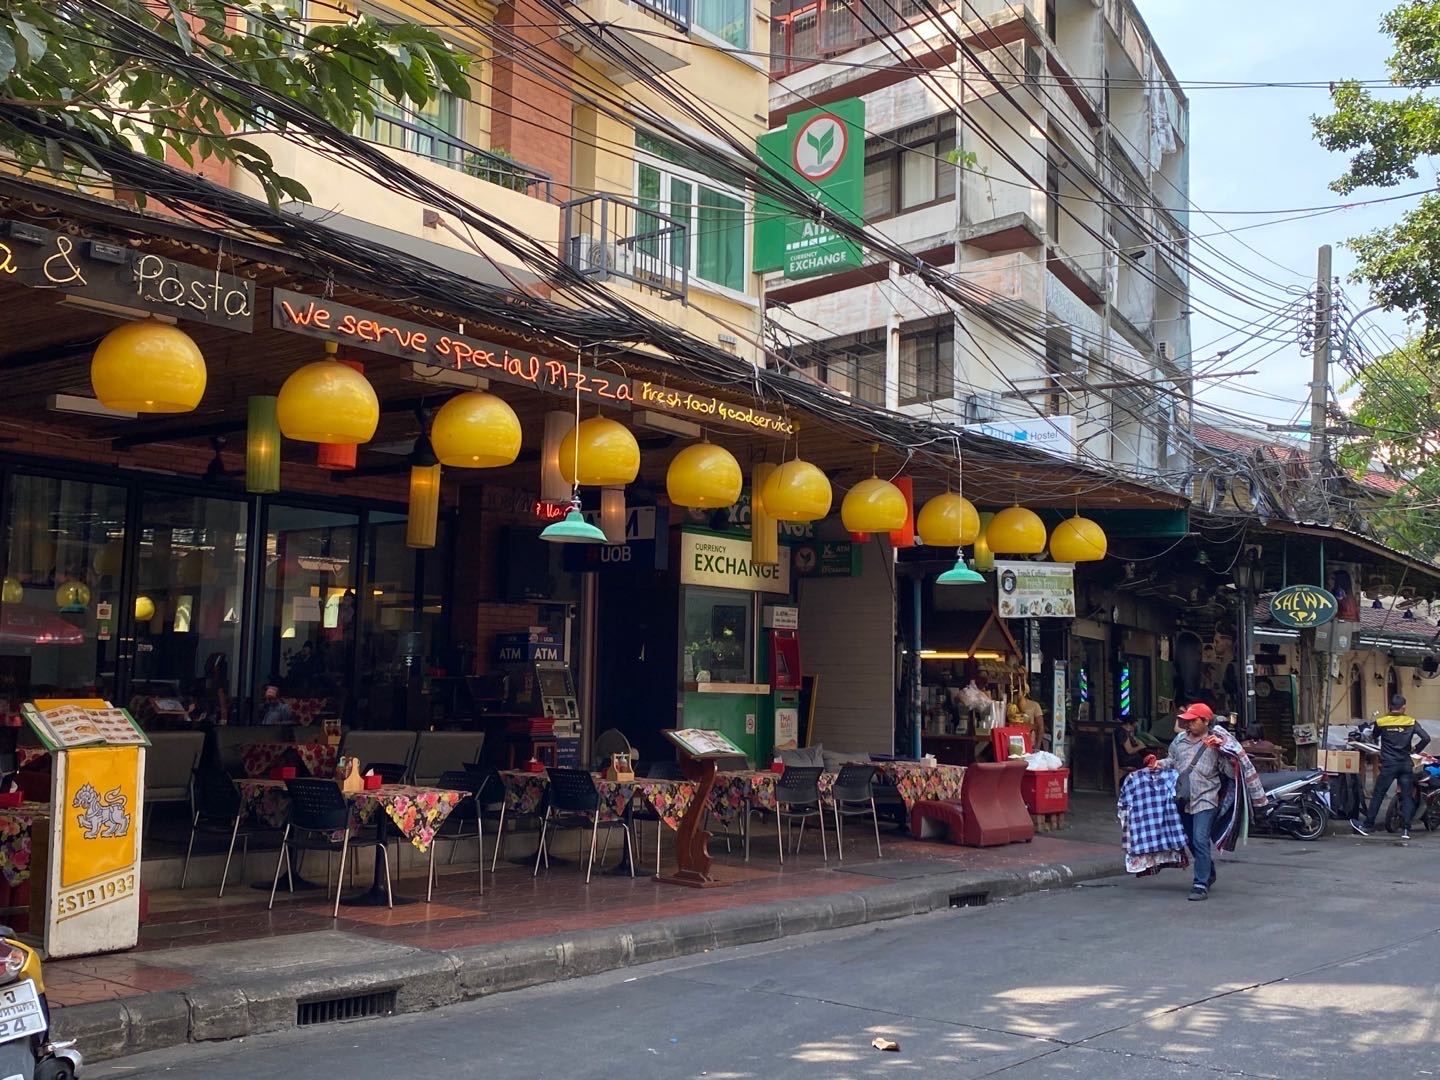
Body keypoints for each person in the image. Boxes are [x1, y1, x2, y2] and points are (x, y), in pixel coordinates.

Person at [1149, 702, 1267, 902]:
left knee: (1200, 838)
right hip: (1183, 797)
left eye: (1193, 721)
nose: (1189, 725)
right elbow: (1172, 761)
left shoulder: (1217, 743)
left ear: (1205, 721)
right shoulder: (1179, 741)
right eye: (1187, 721)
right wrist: (1157, 764)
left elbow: (1230, 773)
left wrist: (1224, 753)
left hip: (1206, 798)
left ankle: (1200, 884)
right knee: (1189, 839)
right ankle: (1208, 870)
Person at [1351, 694, 1431, 841]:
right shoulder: (1411, 721)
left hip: (1389, 764)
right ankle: (1406, 829)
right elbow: (1426, 738)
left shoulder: (1381, 722)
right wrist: (1415, 750)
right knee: (1407, 796)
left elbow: (1373, 736)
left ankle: (1368, 825)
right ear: (1404, 707)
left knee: (1379, 794)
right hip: (1406, 764)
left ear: (1390, 707)